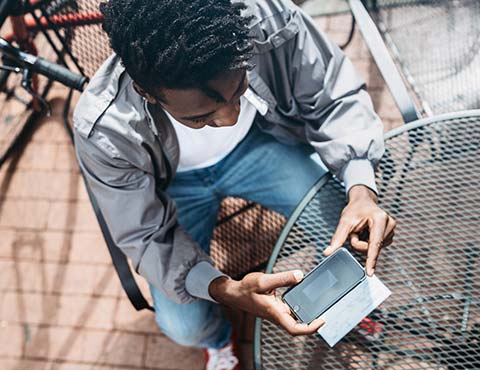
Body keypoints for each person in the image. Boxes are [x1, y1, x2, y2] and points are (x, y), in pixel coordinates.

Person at [73, 0, 396, 368]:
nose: (229, 117)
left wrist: (361, 190)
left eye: (240, 85)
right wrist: (225, 289)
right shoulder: (103, 129)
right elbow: (145, 236)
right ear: (148, 93)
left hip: (260, 143)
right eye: (200, 116)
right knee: (184, 327)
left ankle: (348, 307)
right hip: (175, 187)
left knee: (349, 232)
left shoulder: (266, 17)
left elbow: (332, 97)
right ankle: (218, 339)